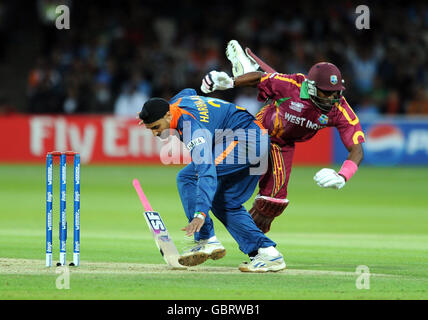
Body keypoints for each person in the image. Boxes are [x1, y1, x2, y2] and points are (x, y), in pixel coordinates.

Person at [201, 40, 365, 233]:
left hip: (283, 144)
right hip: (259, 131)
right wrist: (229, 82)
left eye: (335, 93)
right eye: (326, 93)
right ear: (311, 87)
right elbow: (260, 79)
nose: (331, 99)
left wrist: (343, 176)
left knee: (273, 202)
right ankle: (203, 229)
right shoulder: (293, 85)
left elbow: (357, 149)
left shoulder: (340, 109)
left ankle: (258, 249)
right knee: (221, 177)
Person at [137, 88, 286, 272]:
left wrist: (200, 214)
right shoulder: (179, 103)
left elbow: (206, 172)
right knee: (225, 203)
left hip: (245, 140)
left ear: (168, 115)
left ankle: (206, 238)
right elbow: (188, 91)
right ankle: (267, 253)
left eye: (156, 127)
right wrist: (149, 111)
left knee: (188, 177)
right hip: (257, 139)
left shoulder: (192, 129)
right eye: (150, 128)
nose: (154, 133)